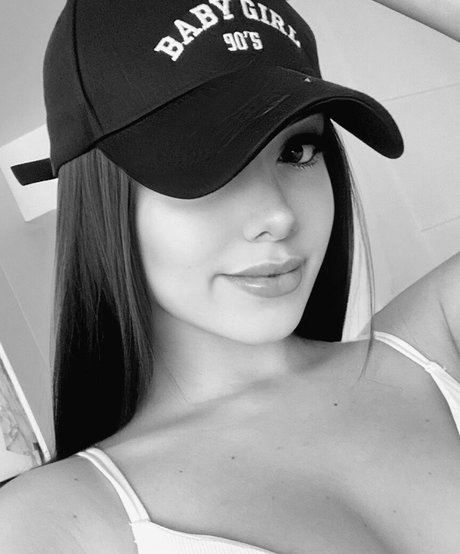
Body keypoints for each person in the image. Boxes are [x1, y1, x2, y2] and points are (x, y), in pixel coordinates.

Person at [1, 0, 460, 552]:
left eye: (298, 150)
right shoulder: (53, 524)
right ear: (103, 199)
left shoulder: (439, 348)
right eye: (205, 160)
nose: (278, 215)